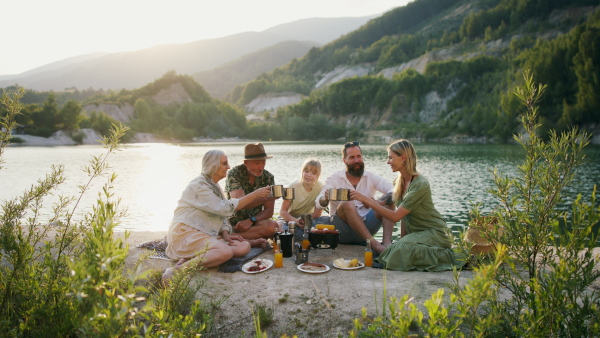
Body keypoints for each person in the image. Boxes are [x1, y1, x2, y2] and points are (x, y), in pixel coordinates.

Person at [350, 139, 466, 271]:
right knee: (399, 247)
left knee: (399, 249)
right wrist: (402, 240)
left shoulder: (420, 184)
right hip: (418, 234)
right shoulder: (399, 182)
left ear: (403, 158)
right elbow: (405, 217)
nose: (388, 162)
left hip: (436, 233)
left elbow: (395, 217)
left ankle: (454, 257)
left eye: (391, 158)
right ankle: (399, 252)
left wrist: (370, 201)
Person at [163, 149, 271, 285]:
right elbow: (225, 208)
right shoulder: (199, 186)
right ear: (213, 166)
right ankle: (178, 269)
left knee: (244, 247)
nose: (228, 167)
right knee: (226, 252)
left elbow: (221, 215)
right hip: (186, 233)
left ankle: (197, 256)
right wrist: (255, 195)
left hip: (204, 234)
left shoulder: (214, 186)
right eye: (224, 163)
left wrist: (225, 233)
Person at [315, 141, 395, 253]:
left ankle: (387, 244)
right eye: (352, 157)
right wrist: (325, 198)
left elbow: (394, 191)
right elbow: (318, 203)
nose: (356, 160)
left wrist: (376, 202)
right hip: (342, 231)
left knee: (389, 202)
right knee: (347, 202)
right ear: (344, 161)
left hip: (367, 227)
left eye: (358, 156)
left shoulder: (370, 176)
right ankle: (376, 246)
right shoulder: (335, 178)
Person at [225, 143, 280, 244]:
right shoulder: (234, 173)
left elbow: (269, 211)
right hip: (233, 224)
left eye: (263, 163)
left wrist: (251, 220)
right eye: (257, 163)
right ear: (246, 163)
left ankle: (236, 238)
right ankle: (233, 236)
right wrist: (266, 198)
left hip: (254, 223)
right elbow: (239, 203)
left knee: (274, 227)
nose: (261, 167)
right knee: (275, 231)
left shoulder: (268, 177)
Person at [279, 158, 324, 226]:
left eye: (313, 173)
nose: (309, 175)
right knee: (282, 228)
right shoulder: (292, 187)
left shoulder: (321, 188)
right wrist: (296, 220)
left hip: (309, 218)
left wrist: (304, 220)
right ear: (302, 172)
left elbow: (317, 214)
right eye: (306, 171)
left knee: (325, 221)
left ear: (318, 175)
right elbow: (283, 212)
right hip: (289, 218)